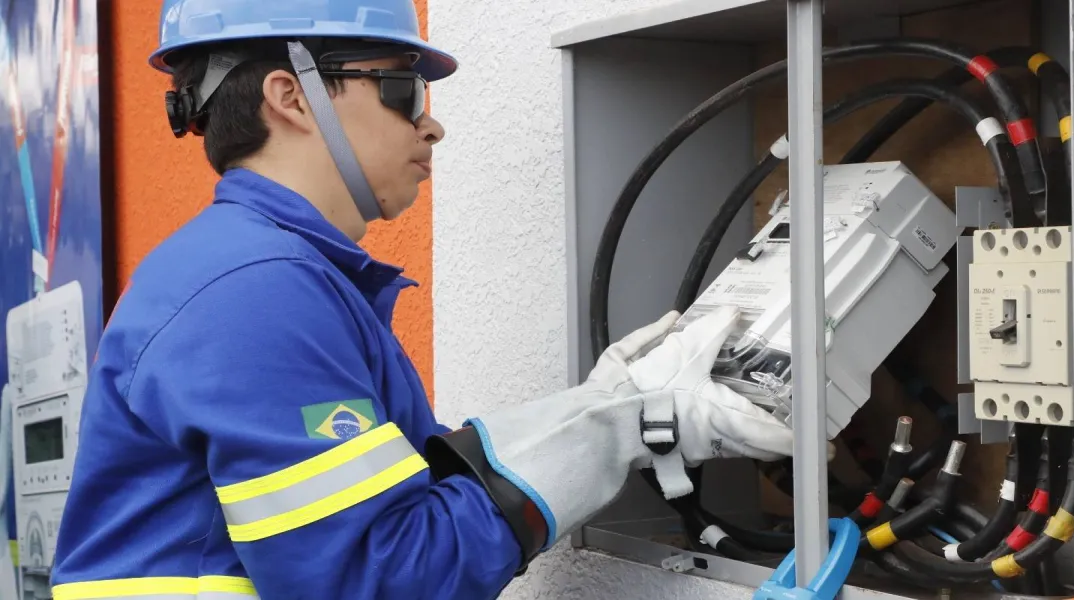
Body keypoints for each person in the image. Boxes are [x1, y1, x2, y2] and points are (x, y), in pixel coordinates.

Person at [49, 1, 795, 598]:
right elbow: (379, 580)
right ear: (292, 97)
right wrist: (615, 430)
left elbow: (403, 497)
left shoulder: (262, 271)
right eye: (402, 91)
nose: (431, 124)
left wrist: (606, 406)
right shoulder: (253, 293)